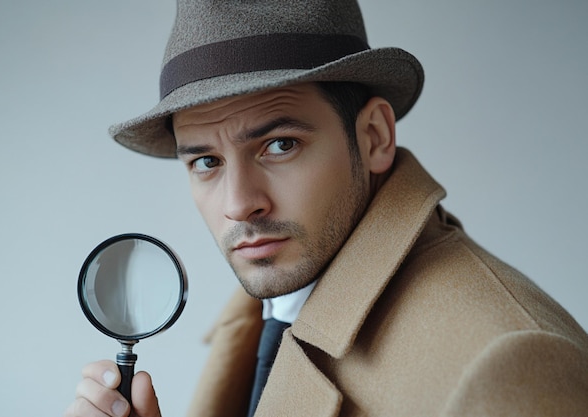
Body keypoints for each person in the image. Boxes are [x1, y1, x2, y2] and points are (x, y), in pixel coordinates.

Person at [65, 1, 588, 416]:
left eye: (280, 145)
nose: (239, 204)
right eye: (205, 161)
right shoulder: (268, 309)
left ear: (374, 136)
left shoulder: (507, 365)